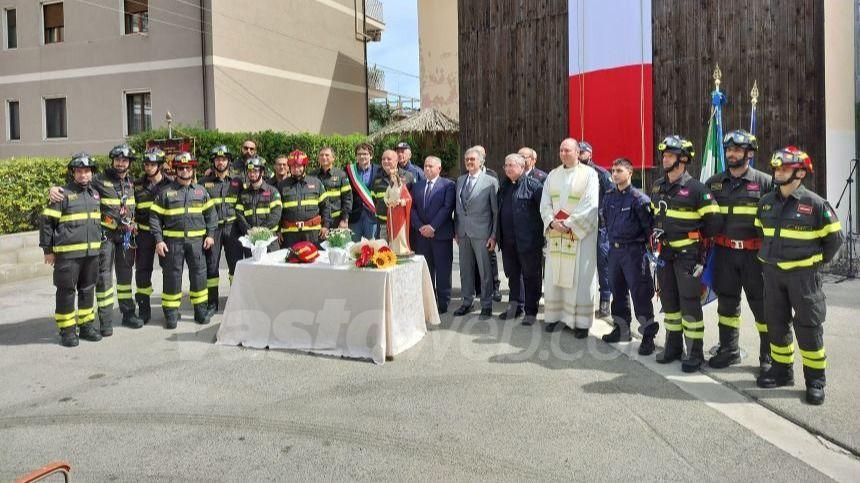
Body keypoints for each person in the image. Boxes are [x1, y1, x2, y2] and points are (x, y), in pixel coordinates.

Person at [755, 147, 843, 406]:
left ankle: (815, 381)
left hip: (804, 277)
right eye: (776, 168)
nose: (778, 172)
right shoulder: (766, 202)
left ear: (801, 173)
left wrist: (814, 262)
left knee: (808, 327)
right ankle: (782, 372)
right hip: (772, 274)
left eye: (784, 168)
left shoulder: (816, 204)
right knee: (777, 324)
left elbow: (834, 240)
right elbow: (761, 231)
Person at [51, 144, 143, 335]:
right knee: (104, 279)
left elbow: (157, 185)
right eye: (117, 160)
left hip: (126, 236)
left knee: (126, 278)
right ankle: (106, 321)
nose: (120, 163)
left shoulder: (132, 183)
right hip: (106, 236)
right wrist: (53, 189)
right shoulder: (99, 180)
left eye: (124, 160)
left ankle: (128, 314)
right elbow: (78, 186)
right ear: (113, 161)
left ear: (129, 164)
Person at [650, 135, 722, 372]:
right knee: (669, 303)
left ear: (683, 159)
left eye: (669, 155)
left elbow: (713, 221)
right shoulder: (658, 185)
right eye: (664, 154)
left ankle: (694, 352)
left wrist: (696, 243)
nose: (664, 158)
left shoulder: (697, 189)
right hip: (665, 255)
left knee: (690, 303)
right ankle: (672, 347)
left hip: (688, 257)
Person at [705, 129, 774, 372]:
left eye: (737, 150)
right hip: (724, 254)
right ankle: (729, 350)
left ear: (750, 153)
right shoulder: (713, 182)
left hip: (755, 257)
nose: (731, 154)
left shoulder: (766, 182)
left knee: (763, 307)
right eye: (729, 150)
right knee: (727, 305)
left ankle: (769, 357)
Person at [40, 153, 104, 346]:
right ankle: (67, 330)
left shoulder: (95, 194)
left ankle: (86, 326)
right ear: (73, 173)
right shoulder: (62, 194)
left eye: (87, 171)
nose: (83, 175)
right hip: (67, 256)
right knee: (66, 291)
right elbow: (46, 222)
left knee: (87, 289)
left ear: (92, 174)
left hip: (91, 254)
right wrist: (48, 250)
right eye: (79, 171)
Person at [150, 152, 217, 328]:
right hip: (173, 244)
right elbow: (155, 217)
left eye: (188, 168)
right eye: (181, 168)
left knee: (199, 276)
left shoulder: (201, 192)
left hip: (197, 243)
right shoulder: (165, 192)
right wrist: (158, 240)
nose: (185, 171)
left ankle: (200, 311)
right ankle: (171, 314)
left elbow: (211, 216)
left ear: (193, 169)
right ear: (176, 170)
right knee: (172, 277)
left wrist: (210, 235)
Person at [540, 138, 599, 337]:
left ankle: (581, 323)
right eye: (561, 150)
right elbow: (545, 203)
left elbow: (591, 204)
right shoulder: (553, 175)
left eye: (568, 150)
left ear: (577, 152)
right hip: (557, 234)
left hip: (578, 236)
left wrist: (568, 223)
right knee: (554, 278)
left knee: (580, 279)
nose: (564, 153)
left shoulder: (589, 174)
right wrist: (551, 222)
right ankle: (555, 317)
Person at [601, 158, 657, 354]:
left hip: (634, 252)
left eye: (619, 170)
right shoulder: (609, 196)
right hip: (615, 251)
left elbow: (648, 229)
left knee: (640, 294)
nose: (614, 174)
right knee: (618, 293)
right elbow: (606, 221)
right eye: (613, 170)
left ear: (630, 173)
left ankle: (648, 335)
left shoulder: (638, 199)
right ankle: (621, 329)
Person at [496, 153, 544, 326]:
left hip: (528, 242)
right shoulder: (504, 186)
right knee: (513, 276)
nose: (508, 168)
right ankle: (516, 307)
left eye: (511, 165)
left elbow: (544, 214)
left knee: (531, 277)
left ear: (522, 167)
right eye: (506, 165)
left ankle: (531, 311)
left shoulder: (534, 186)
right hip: (508, 241)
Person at [453, 147, 499, 319]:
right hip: (463, 233)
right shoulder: (460, 180)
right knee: (465, 270)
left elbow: (495, 212)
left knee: (485, 271)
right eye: (467, 159)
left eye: (473, 159)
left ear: (481, 162)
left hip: (482, 233)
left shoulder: (490, 181)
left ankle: (486, 305)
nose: (469, 162)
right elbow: (458, 209)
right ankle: (467, 302)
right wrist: (456, 230)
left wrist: (493, 235)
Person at [199, 145, 244, 317]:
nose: (220, 162)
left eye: (224, 159)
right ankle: (212, 303)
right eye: (217, 159)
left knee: (235, 266)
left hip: (233, 228)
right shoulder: (204, 183)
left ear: (228, 161)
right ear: (213, 162)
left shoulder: (237, 181)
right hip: (213, 230)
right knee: (212, 267)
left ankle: (235, 301)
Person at [410, 156, 456, 314]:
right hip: (422, 235)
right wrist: (421, 227)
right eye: (425, 166)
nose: (427, 169)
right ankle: (428, 301)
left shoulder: (448, 185)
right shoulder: (417, 186)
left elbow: (447, 207)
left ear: (439, 169)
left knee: (443, 270)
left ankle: (443, 303)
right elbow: (412, 209)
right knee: (426, 270)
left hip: (441, 235)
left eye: (431, 166)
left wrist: (433, 227)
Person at [133, 147, 172, 324]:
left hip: (165, 236)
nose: (148, 167)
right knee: (142, 272)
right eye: (146, 164)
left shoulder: (171, 185)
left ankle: (169, 310)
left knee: (170, 271)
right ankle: (144, 310)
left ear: (161, 165)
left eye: (152, 164)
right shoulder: (136, 185)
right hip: (143, 234)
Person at [579, 141, 613, 318]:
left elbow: (612, 196)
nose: (580, 155)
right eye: (578, 152)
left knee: (603, 263)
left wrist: (604, 216)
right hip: (579, 225)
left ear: (590, 154)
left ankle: (605, 299)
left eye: (582, 152)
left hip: (599, 226)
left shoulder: (600, 173)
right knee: (580, 264)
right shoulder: (572, 173)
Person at [470, 145, 503, 302]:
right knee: (475, 262)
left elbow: (494, 204)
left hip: (486, 226)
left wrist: (493, 231)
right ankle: (478, 288)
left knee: (490, 259)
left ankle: (495, 287)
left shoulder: (491, 175)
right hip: (471, 228)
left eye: (478, 155)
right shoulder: (466, 176)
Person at [279, 150, 330, 246]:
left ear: (304, 166)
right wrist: (278, 231)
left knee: (314, 260)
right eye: (293, 166)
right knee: (290, 260)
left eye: (299, 166)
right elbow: (278, 211)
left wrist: (326, 226)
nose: (296, 169)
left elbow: (325, 206)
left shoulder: (316, 183)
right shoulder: (282, 185)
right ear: (289, 168)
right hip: (290, 234)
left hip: (312, 233)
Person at [235, 156, 282, 254]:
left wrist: (260, 232)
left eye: (255, 171)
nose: (252, 174)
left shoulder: (273, 192)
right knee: (253, 269)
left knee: (272, 268)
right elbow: (239, 215)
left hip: (270, 240)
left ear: (262, 172)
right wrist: (249, 231)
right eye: (250, 171)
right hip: (251, 241)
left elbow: (276, 215)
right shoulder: (243, 194)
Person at [372, 149, 416, 241]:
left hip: (400, 224)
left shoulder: (408, 176)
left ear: (396, 161)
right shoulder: (376, 178)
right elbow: (374, 199)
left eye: (389, 159)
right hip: (382, 224)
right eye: (383, 159)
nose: (385, 161)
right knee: (382, 252)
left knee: (398, 253)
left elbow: (413, 200)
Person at [346, 143, 382, 241]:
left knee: (372, 246)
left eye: (365, 154)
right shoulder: (349, 171)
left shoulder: (379, 170)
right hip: (355, 216)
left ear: (371, 155)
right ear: (356, 156)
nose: (362, 156)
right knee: (354, 248)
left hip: (372, 215)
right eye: (359, 154)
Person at [311, 146, 352, 231]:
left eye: (327, 155)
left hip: (336, 221)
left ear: (333, 158)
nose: (324, 157)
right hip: (318, 221)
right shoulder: (312, 176)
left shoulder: (341, 175)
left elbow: (347, 198)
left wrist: (345, 219)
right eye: (321, 155)